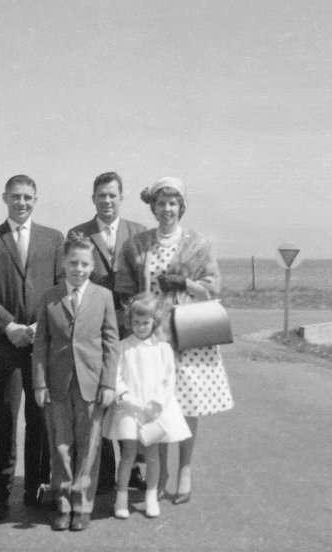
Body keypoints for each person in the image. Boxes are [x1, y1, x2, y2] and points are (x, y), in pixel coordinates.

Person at [116, 176, 233, 504]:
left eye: (173, 203)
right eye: (161, 203)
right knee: (157, 402)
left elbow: (214, 286)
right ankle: (160, 470)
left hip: (189, 333)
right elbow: (125, 290)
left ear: (181, 207)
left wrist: (186, 284)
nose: (167, 209)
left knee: (188, 404)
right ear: (152, 207)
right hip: (153, 336)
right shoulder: (137, 244)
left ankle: (185, 468)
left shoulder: (198, 243)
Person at [0, 175, 64, 521]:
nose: (21, 203)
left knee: (40, 418)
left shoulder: (53, 239)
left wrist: (42, 326)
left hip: (42, 343)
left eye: (28, 197)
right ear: (4, 198)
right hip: (5, 343)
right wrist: (9, 325)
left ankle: (35, 488)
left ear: (36, 199)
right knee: (4, 419)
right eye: (15, 197)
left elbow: (62, 286)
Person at [32, 232, 119, 532]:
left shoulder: (103, 296)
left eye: (84, 264)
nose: (78, 269)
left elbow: (111, 343)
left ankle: (82, 506)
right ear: (63, 263)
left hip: (92, 385)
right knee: (61, 446)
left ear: (92, 265)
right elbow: (40, 345)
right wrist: (39, 384)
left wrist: (108, 384)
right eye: (73, 263)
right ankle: (63, 503)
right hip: (57, 386)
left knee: (89, 446)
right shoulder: (49, 297)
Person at [70, 171, 147, 494]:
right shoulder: (78, 232)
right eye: (101, 195)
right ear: (93, 198)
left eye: (112, 195)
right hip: (95, 327)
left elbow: (146, 281)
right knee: (99, 397)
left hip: (131, 327)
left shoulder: (139, 232)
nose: (107, 201)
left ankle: (137, 469)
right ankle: (102, 472)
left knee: (134, 393)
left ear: (121, 197)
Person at [104, 293, 191, 519]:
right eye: (136, 322)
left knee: (153, 454)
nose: (141, 327)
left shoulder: (163, 349)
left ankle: (151, 496)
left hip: (153, 409)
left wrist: (157, 403)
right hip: (129, 408)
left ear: (155, 321)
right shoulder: (123, 347)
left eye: (146, 322)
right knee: (128, 453)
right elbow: (117, 376)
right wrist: (124, 396)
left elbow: (168, 380)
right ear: (129, 321)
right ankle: (121, 497)